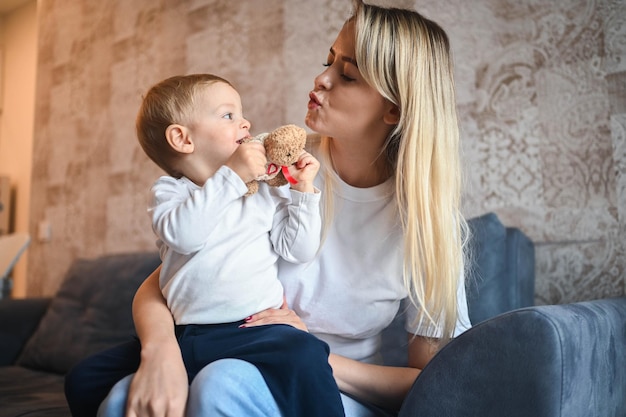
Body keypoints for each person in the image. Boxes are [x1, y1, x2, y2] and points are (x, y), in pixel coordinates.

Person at [65, 1, 472, 416]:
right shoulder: (266, 162)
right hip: (224, 351)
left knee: (222, 384)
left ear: (394, 109)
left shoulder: (428, 228)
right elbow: (173, 272)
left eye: (347, 75)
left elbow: (435, 382)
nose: (322, 78)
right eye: (328, 61)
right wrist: (160, 352)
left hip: (330, 390)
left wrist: (308, 353)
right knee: (119, 400)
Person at [64, 73, 345, 417]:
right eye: (228, 115)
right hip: (185, 335)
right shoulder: (170, 193)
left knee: (306, 354)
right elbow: (186, 235)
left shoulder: (263, 192)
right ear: (182, 139)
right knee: (83, 378)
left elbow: (297, 250)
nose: (246, 123)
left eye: (241, 114)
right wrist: (231, 177)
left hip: (250, 330)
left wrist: (303, 191)